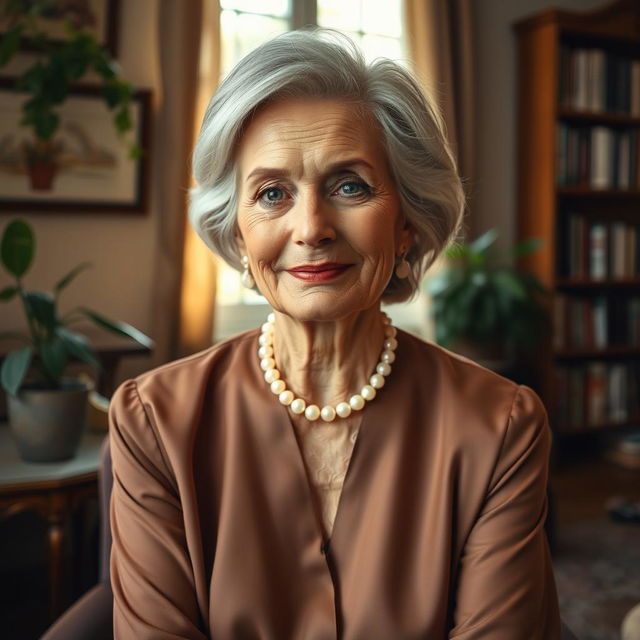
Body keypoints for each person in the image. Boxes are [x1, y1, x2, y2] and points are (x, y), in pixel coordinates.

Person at [108, 28, 562, 639]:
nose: (312, 227)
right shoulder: (154, 420)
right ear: (238, 234)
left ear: (406, 222)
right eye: (272, 193)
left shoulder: (500, 427)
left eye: (350, 185)